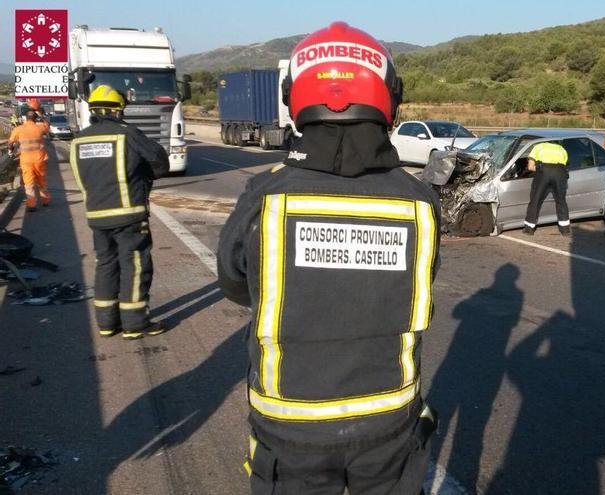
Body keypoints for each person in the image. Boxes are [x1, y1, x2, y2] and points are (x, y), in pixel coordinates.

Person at [218, 22, 440, 495]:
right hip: (388, 421)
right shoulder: (420, 201)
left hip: (289, 425)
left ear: (295, 97)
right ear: (388, 98)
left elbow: (236, 283)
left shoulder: (265, 195)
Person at [69, 85, 169, 339]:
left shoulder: (79, 139)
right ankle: (135, 323)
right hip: (129, 215)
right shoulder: (128, 134)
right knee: (134, 266)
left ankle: (106, 323)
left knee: (105, 265)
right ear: (118, 110)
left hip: (97, 217)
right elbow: (159, 161)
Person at [522, 141, 570, 236]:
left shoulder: (538, 147)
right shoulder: (561, 149)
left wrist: (541, 169)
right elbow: (565, 165)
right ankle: (565, 230)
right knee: (561, 201)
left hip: (544, 171)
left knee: (535, 199)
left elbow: (531, 167)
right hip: (560, 172)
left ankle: (529, 229)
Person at [8, 104, 51, 211]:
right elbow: (47, 125)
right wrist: (41, 113)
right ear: (35, 119)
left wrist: (10, 151)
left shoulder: (18, 129)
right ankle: (45, 200)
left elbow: (11, 143)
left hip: (26, 161)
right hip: (39, 159)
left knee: (29, 183)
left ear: (25, 118)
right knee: (42, 181)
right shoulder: (40, 128)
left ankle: (32, 205)